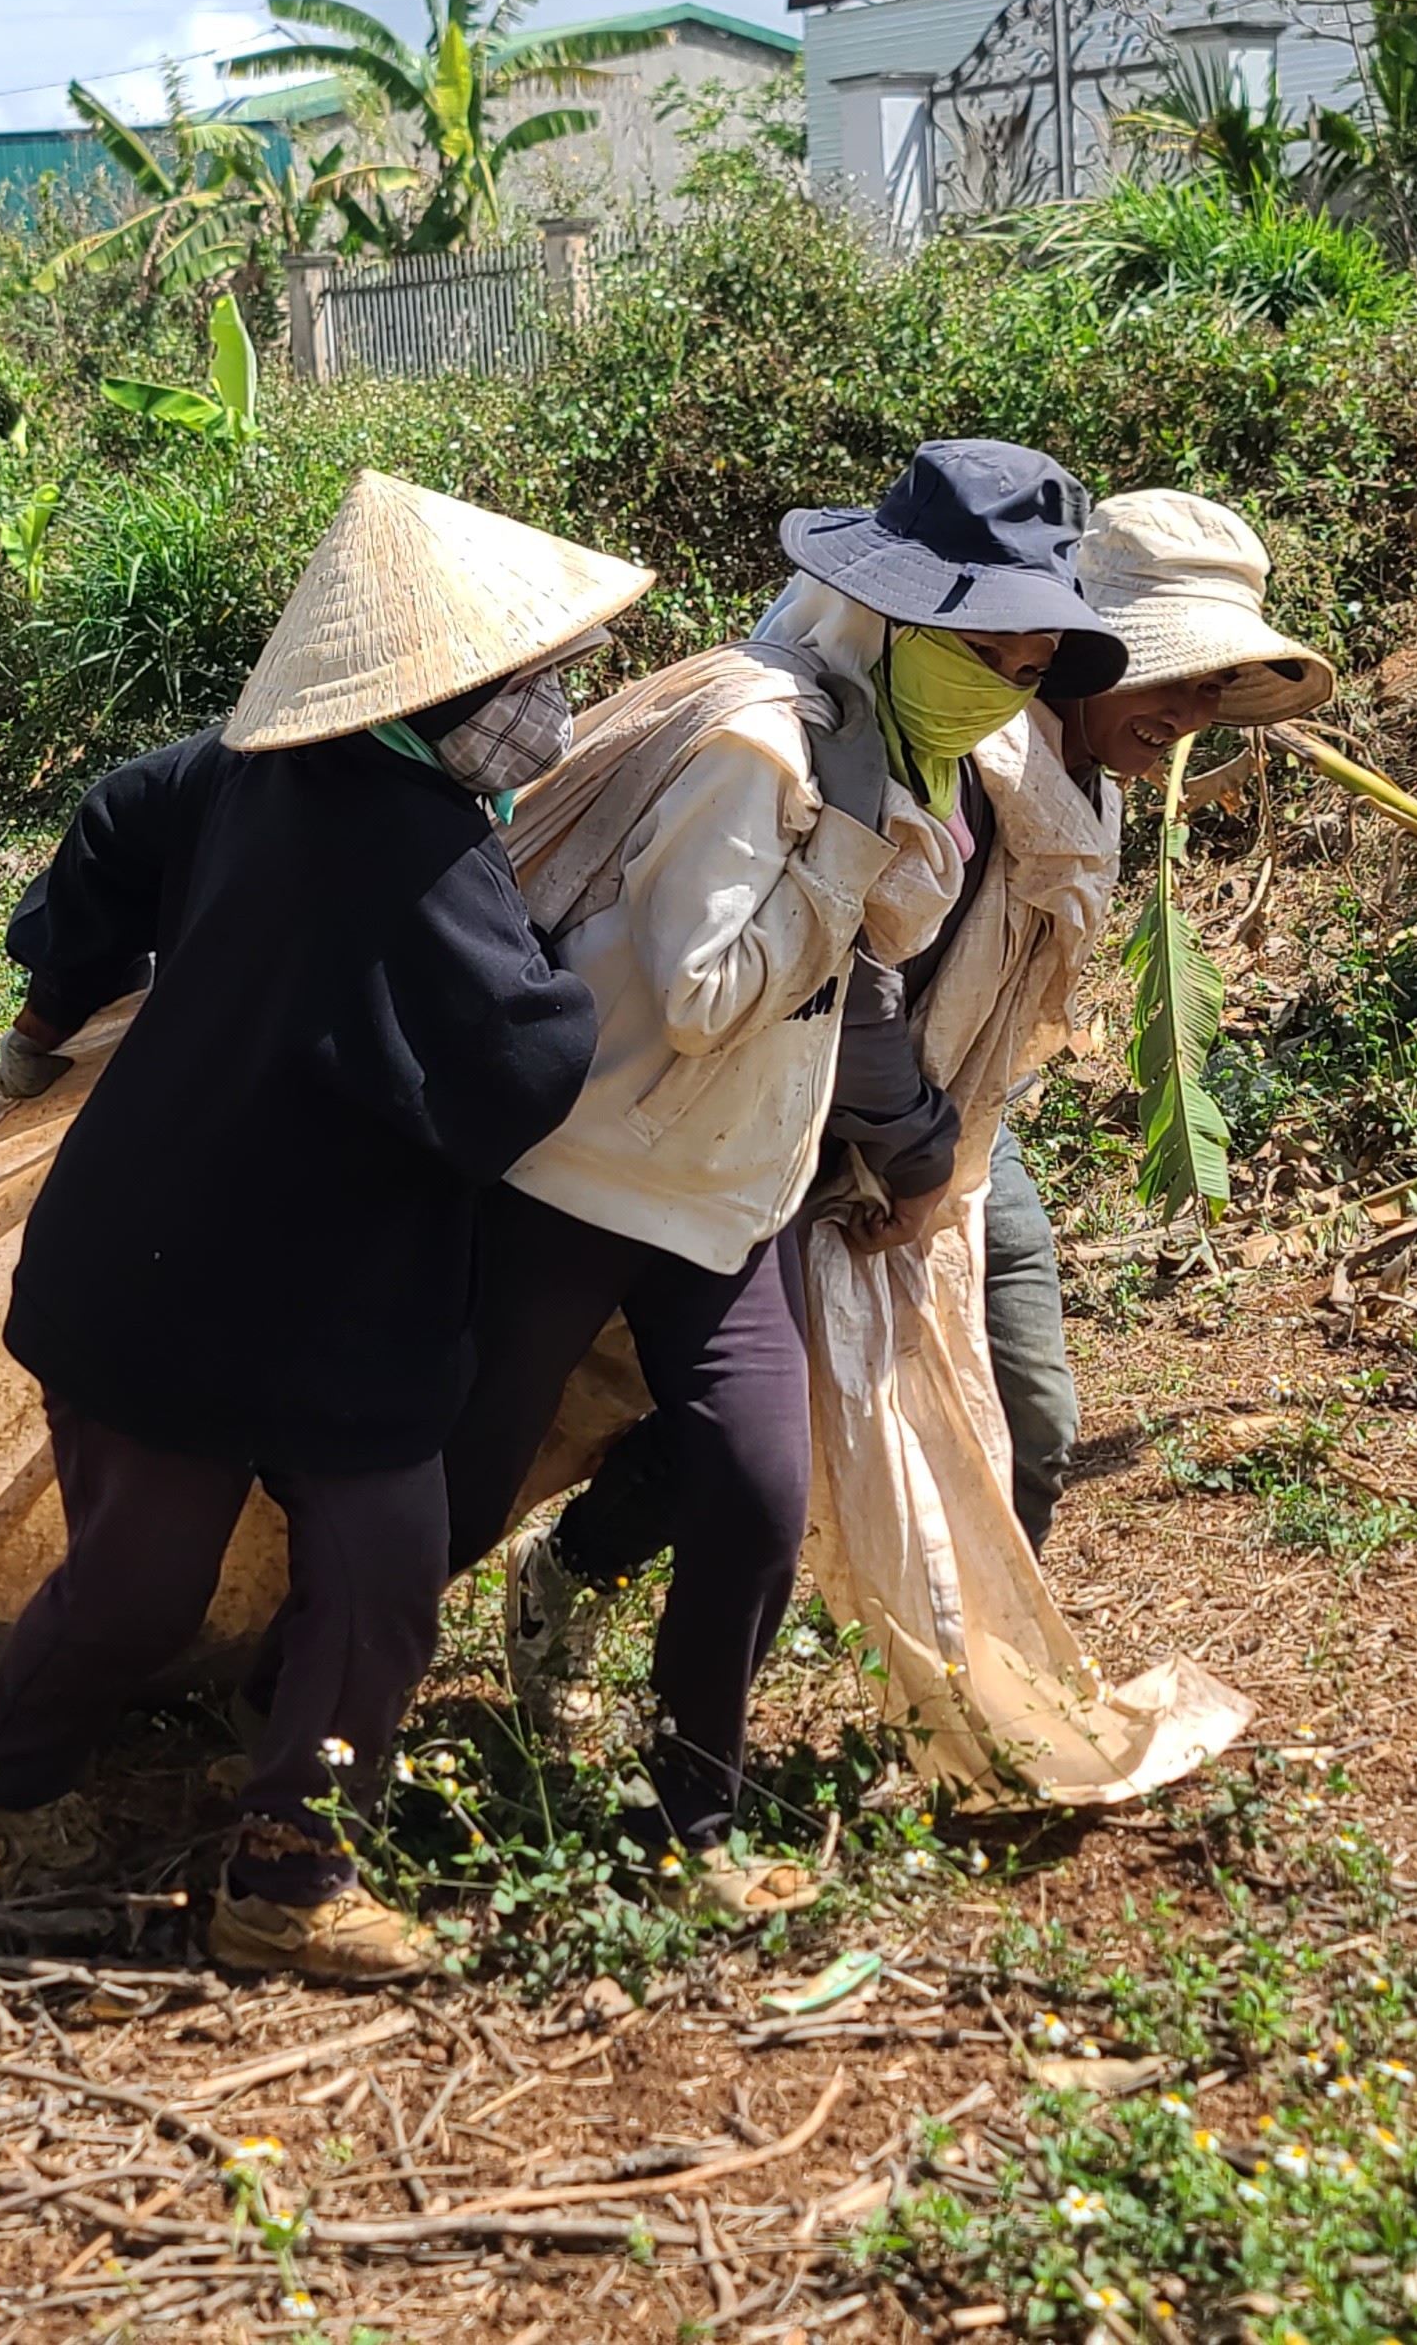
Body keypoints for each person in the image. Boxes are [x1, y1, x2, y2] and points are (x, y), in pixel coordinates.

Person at [0, 472, 650, 1984]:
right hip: (233, 1289)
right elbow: (515, 1071)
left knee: (314, 1571)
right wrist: (589, 975)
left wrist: (52, 1000)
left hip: (213, 1269)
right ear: (445, 689)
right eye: (534, 682)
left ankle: (290, 1865)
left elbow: (117, 820)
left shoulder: (251, 771)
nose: (554, 708)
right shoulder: (420, 848)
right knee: (198, 1589)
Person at [434, 441, 1123, 1918]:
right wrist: (840, 872)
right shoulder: (766, 742)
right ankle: (309, 1739)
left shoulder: (915, 773)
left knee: (754, 1492)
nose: (1008, 676)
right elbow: (697, 991)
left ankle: (695, 1828)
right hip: (589, 1176)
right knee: (459, 1487)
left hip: (733, 1196)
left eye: (1030, 651)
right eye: (982, 644)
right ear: (889, 619)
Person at [979, 489, 1335, 1549]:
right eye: (1175, 672)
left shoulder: (1102, 778)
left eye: (1215, 683)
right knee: (748, 1427)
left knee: (1031, 1419)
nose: (1192, 710)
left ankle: (992, 1675)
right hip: (839, 1129)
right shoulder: (975, 761)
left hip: (967, 1131)